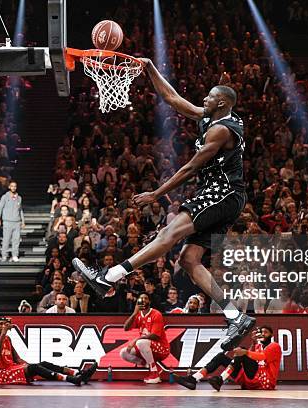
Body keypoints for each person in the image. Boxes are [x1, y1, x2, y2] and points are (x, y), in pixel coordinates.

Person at [74, 60, 254, 351]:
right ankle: (236, 317)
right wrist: (149, 68)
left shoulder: (220, 131)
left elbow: (191, 168)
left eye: (208, 97)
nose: (202, 100)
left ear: (220, 103)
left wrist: (155, 194)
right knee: (188, 260)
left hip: (223, 193)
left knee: (167, 235)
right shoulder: (212, 117)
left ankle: (109, 276)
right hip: (225, 196)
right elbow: (173, 99)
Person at [0, 316, 96, 385]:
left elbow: (17, 359)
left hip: (11, 368)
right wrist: (4, 332)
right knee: (35, 367)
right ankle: (71, 379)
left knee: (42, 364)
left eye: (5, 324)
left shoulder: (7, 339)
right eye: (0, 324)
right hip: (1, 374)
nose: (3, 326)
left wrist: (28, 367)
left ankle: (79, 373)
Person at [174, 326, 281, 391]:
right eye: (261, 332)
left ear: (271, 335)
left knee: (242, 352)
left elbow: (262, 357)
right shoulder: (258, 346)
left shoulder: (274, 346)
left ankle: (220, 380)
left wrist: (245, 351)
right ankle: (193, 379)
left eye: (266, 332)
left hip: (263, 382)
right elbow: (251, 358)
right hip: (249, 379)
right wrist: (253, 343)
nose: (262, 334)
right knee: (221, 356)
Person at [120, 293, 170, 384]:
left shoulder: (156, 314)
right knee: (124, 353)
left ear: (149, 301)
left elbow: (155, 335)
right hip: (145, 348)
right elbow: (126, 328)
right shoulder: (138, 315)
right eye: (141, 298)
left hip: (162, 348)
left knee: (141, 343)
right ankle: (152, 366)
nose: (143, 300)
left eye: (145, 298)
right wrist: (134, 313)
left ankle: (154, 375)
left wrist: (136, 339)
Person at [0, 181, 25, 262]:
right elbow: (0, 208)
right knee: (6, 239)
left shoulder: (19, 197)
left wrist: (23, 221)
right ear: (9, 187)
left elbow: (20, 210)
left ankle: (15, 255)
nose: (13, 188)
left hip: (17, 222)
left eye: (15, 186)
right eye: (12, 186)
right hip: (7, 221)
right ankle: (4, 255)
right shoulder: (4, 197)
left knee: (16, 240)